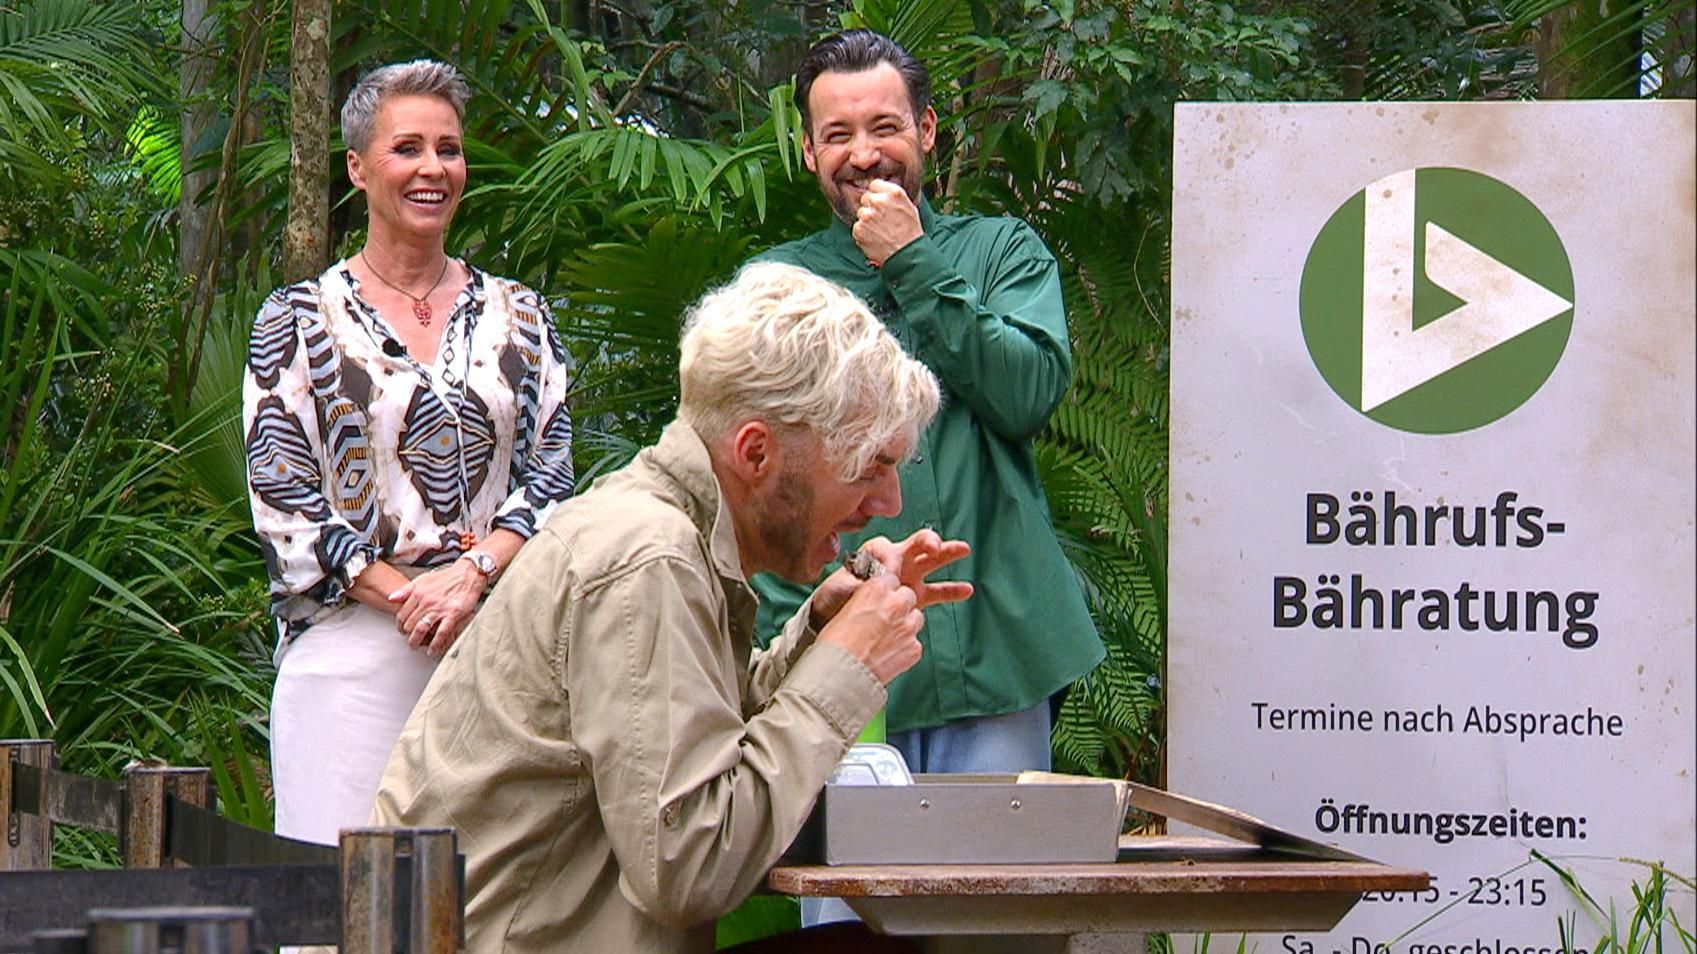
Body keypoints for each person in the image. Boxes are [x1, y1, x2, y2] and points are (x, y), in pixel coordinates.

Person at [371, 262, 971, 953]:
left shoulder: (658, 529)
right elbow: (689, 866)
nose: (889, 504)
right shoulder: (646, 558)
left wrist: (817, 640)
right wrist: (844, 668)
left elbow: (678, 750)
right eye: (869, 465)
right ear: (755, 453)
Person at [751, 29, 1104, 778]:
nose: (865, 154)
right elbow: (749, 474)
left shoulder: (1001, 251)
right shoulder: (776, 286)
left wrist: (911, 260)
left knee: (993, 891)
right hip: (837, 658)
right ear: (810, 152)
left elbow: (1024, 395)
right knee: (844, 893)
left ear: (927, 132)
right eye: (837, 135)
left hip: (998, 653)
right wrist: (791, 628)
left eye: (884, 127)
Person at [242, 59, 575, 848]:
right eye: (408, 148)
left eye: (449, 149)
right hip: (350, 659)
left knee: (487, 913)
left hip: (498, 651)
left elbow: (553, 475)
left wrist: (473, 576)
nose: (433, 169)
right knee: (339, 911)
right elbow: (286, 500)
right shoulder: (296, 320)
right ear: (357, 168)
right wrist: (410, 598)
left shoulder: (521, 317)